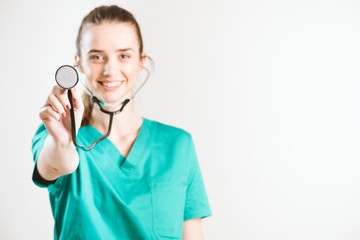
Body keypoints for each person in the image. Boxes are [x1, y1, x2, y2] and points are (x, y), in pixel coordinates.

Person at [32, 5, 211, 240]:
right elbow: (58, 163)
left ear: (141, 61)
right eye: (96, 57)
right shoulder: (57, 133)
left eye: (124, 56)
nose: (110, 69)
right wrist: (64, 142)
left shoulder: (178, 145)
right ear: (79, 64)